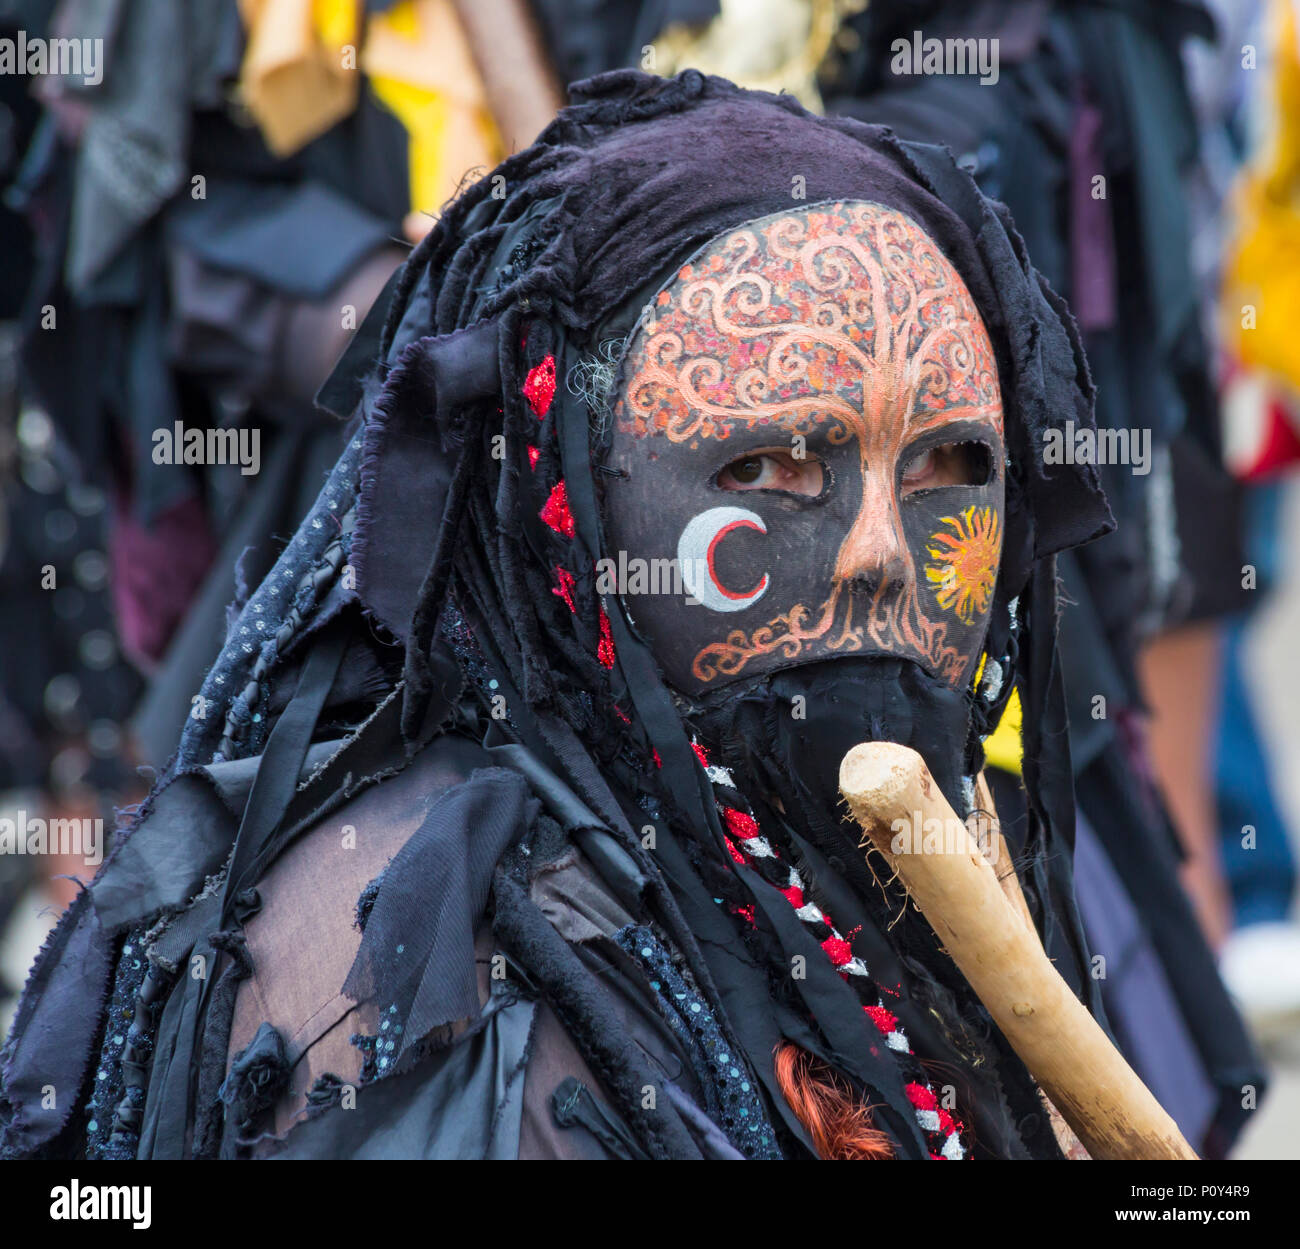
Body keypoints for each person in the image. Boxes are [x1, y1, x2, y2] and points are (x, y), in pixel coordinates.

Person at [5, 70, 1134, 1160]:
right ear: (571, 507)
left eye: (948, 464)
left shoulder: (870, 851)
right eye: (780, 466)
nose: (881, 554)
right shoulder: (424, 980)